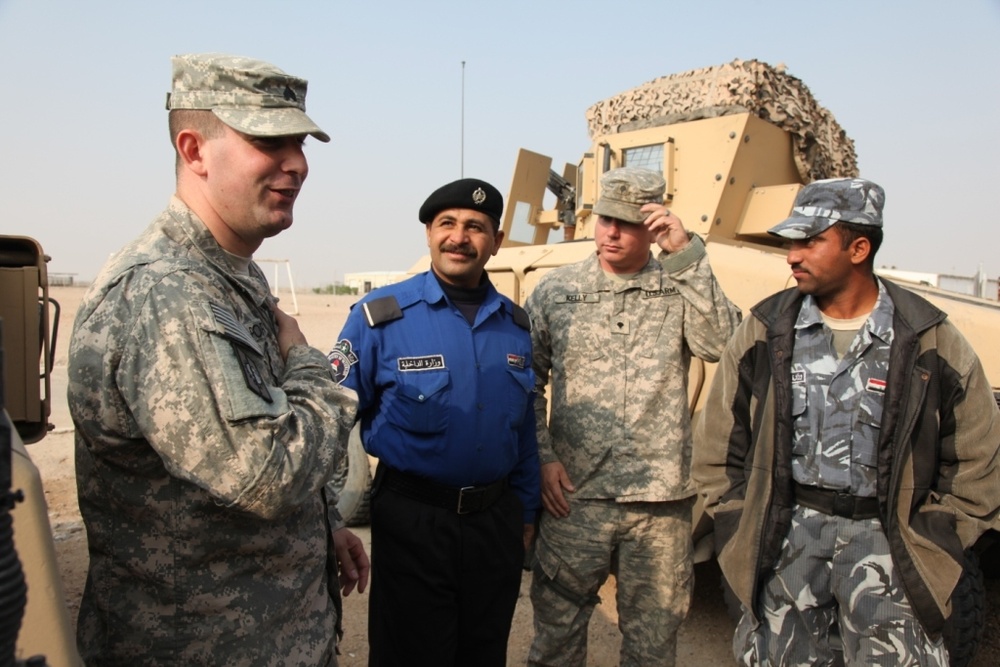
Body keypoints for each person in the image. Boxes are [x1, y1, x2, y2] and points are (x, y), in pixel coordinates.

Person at [67, 53, 369, 666]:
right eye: (268, 140)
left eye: (301, 143)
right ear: (194, 149)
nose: (298, 164)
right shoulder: (166, 292)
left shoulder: (231, 278)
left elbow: (254, 433)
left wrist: (323, 523)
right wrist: (311, 366)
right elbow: (265, 474)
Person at [693, 177, 1000, 666]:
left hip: (891, 551)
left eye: (809, 241)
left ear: (859, 248)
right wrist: (735, 524)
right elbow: (716, 444)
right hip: (785, 545)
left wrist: (936, 541)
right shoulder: (766, 330)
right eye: (790, 243)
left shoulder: (927, 338)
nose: (792, 256)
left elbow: (976, 459)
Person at [525, 166, 741, 666]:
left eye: (627, 223)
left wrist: (687, 256)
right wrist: (542, 457)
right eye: (605, 220)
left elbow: (725, 346)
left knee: (653, 647)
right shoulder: (557, 292)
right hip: (575, 499)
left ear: (655, 225)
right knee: (555, 641)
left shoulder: (679, 284)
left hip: (659, 506)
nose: (612, 233)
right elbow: (525, 385)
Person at [329, 178, 541, 666]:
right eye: (447, 224)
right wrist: (329, 514)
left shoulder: (514, 324)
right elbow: (327, 421)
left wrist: (525, 513)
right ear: (428, 233)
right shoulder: (379, 317)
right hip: (414, 521)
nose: (459, 237)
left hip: (494, 522)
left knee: (483, 653)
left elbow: (523, 430)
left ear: (497, 242)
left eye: (475, 227)